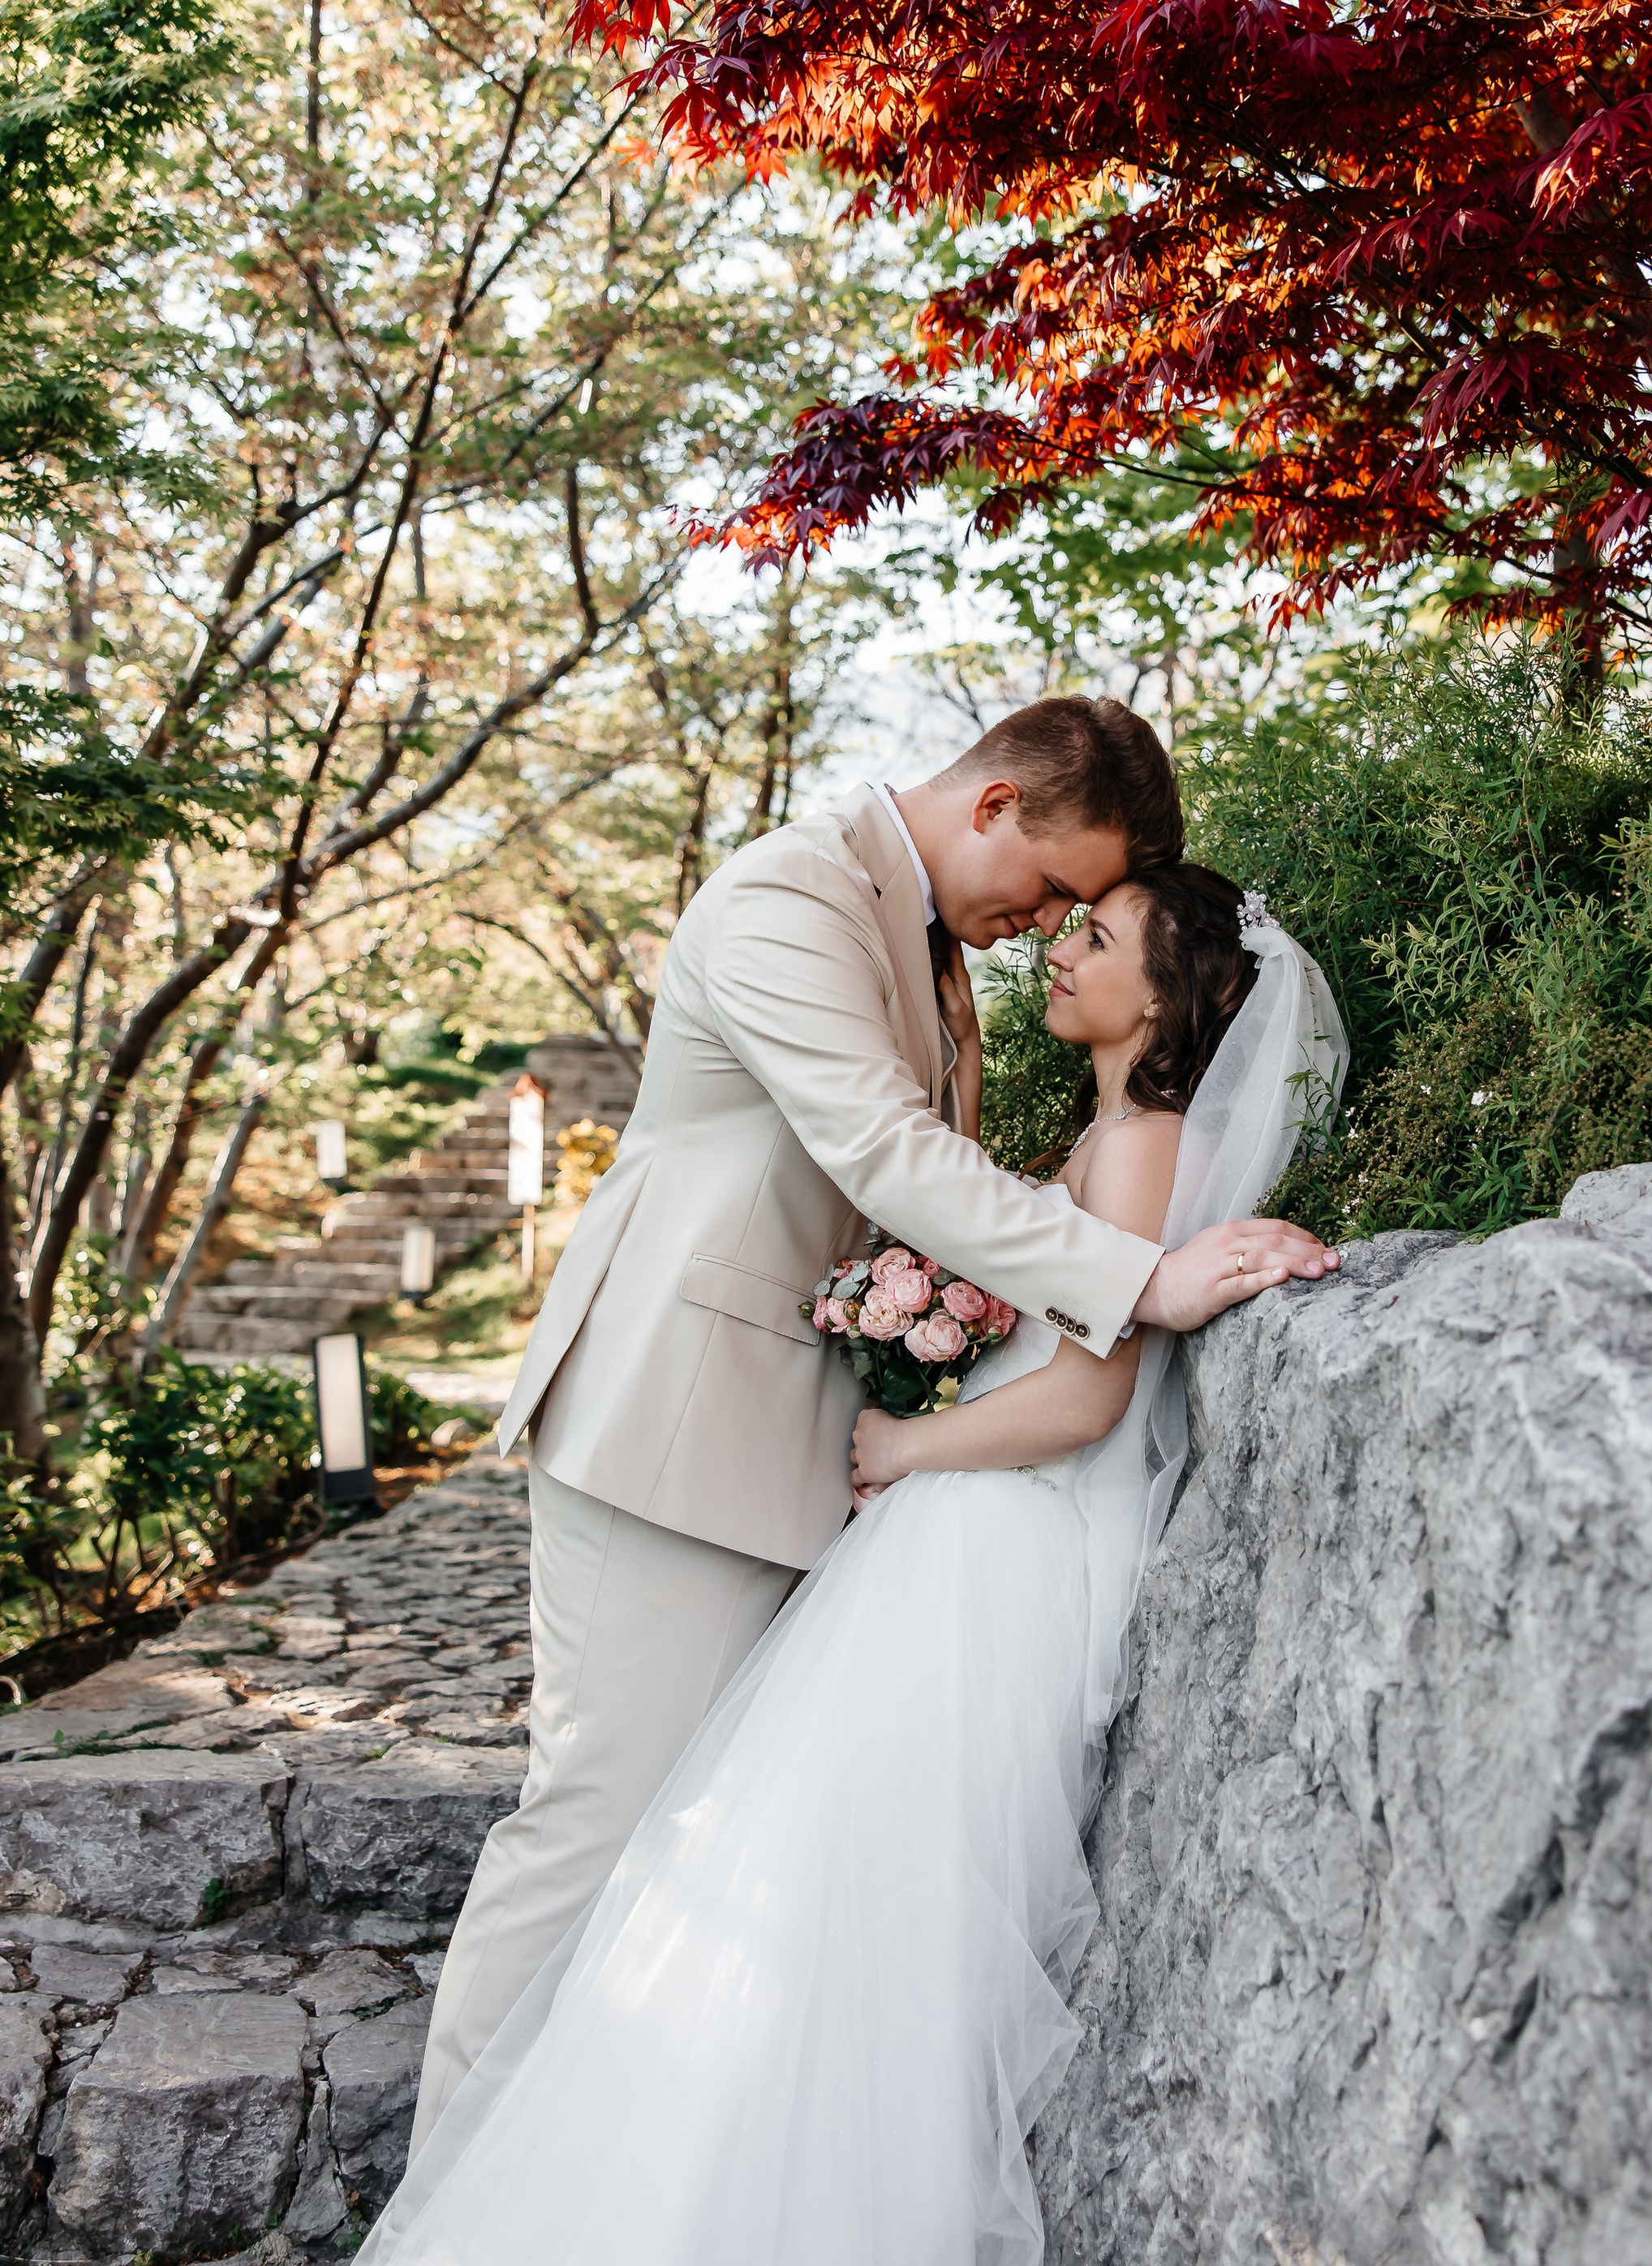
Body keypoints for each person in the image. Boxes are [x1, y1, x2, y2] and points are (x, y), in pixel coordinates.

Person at [303, 859, 1349, 2266]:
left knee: (831, 1943)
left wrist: (901, 1446)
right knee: (793, 1920)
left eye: (1094, 939)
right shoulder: (1107, 1129)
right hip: (962, 1554)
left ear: (1163, 1000)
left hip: (990, 1563)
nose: (1062, 954)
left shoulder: (1144, 1141)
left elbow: (1085, 1397)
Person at [412, 699, 1339, 2152]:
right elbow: (881, 1151)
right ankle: (448, 2227)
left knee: (684, 1840)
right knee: (591, 1822)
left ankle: (592, 2167)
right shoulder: (794, 898)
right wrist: (1139, 1276)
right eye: (1053, 886)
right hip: (674, 1430)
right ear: (993, 809)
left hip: (790, 1453)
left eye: (1081, 912)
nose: (1047, 924)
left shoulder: (932, 949)